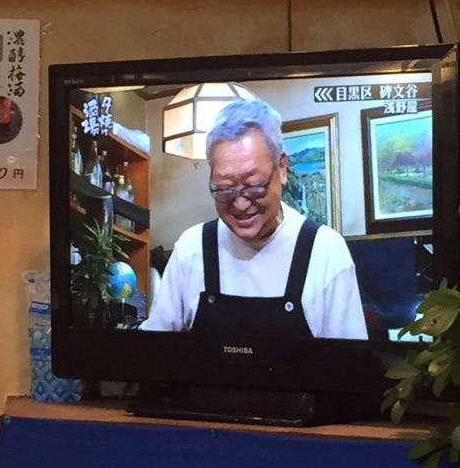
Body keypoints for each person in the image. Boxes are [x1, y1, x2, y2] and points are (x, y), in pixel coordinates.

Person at [141, 98, 368, 339]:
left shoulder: (325, 250)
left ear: (282, 168)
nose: (240, 204)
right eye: (224, 188)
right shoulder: (192, 247)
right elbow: (155, 347)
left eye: (254, 185)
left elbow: (350, 360)